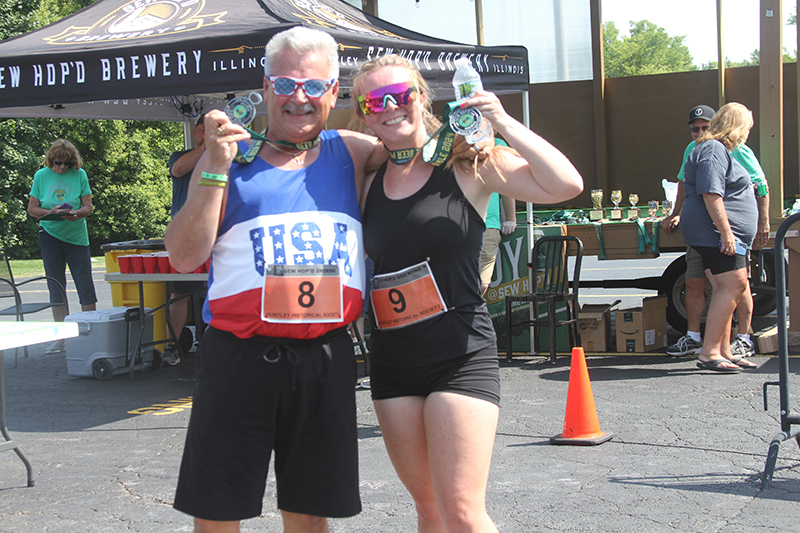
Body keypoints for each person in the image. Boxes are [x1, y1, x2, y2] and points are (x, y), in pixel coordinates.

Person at [165, 27, 485, 532]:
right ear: (266, 86)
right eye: (287, 84)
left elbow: (413, 145)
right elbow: (183, 257)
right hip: (238, 357)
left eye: (314, 87)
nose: (300, 97)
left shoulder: (355, 152)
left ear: (334, 93)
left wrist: (473, 132)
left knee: (310, 512)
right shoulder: (230, 158)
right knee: (219, 513)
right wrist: (208, 164)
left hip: (325, 358)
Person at [352, 54, 583, 530]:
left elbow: (566, 184)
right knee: (429, 510)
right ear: (363, 111)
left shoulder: (469, 162)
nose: (390, 107)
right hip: (392, 361)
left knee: (462, 512)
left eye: (401, 95)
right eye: (375, 101)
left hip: (459, 354)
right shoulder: (366, 181)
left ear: (422, 98)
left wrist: (500, 119)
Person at [662, 104, 769, 358]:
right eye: (746, 128)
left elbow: (760, 184)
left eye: (703, 127)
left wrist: (759, 222)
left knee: (731, 287)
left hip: (723, 232)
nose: (698, 132)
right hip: (717, 233)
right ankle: (710, 351)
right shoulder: (712, 149)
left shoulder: (729, 150)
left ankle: (728, 347)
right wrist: (726, 232)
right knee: (731, 286)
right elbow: (711, 193)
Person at [27, 139, 97, 354]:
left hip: (76, 235)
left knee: (84, 283)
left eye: (67, 164)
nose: (62, 168)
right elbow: (32, 209)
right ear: (51, 160)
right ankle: (62, 338)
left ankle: (90, 334)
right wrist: (51, 213)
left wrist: (75, 213)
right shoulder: (41, 175)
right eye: (58, 163)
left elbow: (88, 207)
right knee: (55, 285)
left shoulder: (80, 175)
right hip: (50, 234)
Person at [163, 113, 208, 366]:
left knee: (220, 289)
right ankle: (172, 344)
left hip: (218, 234)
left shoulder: (226, 157)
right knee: (180, 293)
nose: (208, 134)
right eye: (204, 130)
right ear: (195, 131)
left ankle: (217, 341)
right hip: (186, 236)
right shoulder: (180, 157)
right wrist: (206, 146)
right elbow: (178, 169)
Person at [479, 192, 517, 295]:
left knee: (481, 283)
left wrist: (511, 219)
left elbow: (506, 186)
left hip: (487, 226)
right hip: (458, 225)